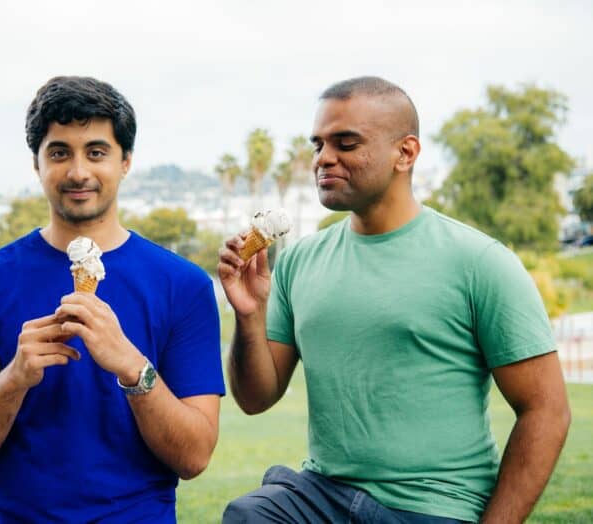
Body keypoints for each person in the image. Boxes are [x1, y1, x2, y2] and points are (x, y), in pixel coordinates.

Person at [218, 76, 571, 523]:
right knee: (251, 515)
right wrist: (248, 316)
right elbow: (255, 398)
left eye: (345, 143)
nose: (324, 158)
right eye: (318, 144)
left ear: (405, 153)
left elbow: (546, 411)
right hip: (323, 494)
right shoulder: (298, 261)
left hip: (432, 506)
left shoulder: (480, 261)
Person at [0, 76, 224, 523]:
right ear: (37, 164)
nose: (78, 171)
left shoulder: (182, 284)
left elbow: (195, 455)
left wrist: (132, 366)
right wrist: (14, 378)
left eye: (97, 152)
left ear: (125, 162)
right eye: (59, 152)